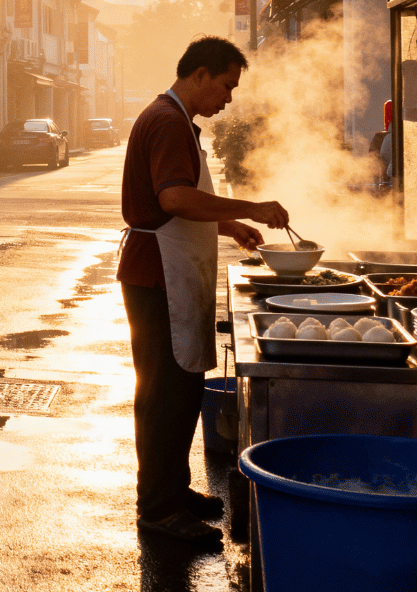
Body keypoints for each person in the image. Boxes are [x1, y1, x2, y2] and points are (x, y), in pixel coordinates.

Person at [118, 36, 289, 542]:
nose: (228, 98)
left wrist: (228, 227)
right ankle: (157, 507)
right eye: (226, 85)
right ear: (199, 75)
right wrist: (250, 208)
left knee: (183, 385)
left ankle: (174, 488)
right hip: (157, 275)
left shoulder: (172, 118)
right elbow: (172, 198)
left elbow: (180, 203)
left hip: (165, 271)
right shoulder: (167, 121)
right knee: (164, 393)